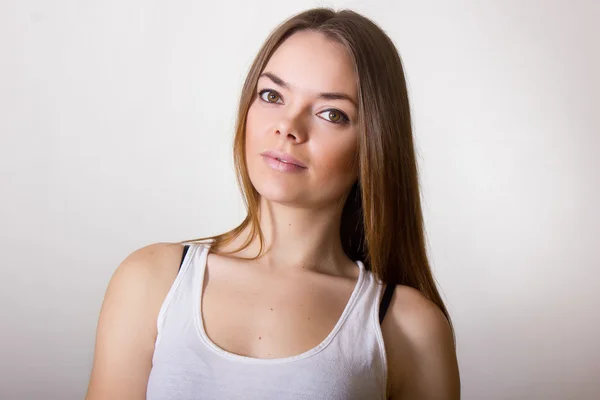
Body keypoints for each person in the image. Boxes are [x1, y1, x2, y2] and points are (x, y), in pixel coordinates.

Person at [85, 7, 460, 400]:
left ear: (374, 145)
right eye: (272, 95)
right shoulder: (151, 281)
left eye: (332, 114)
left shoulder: (408, 328)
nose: (288, 127)